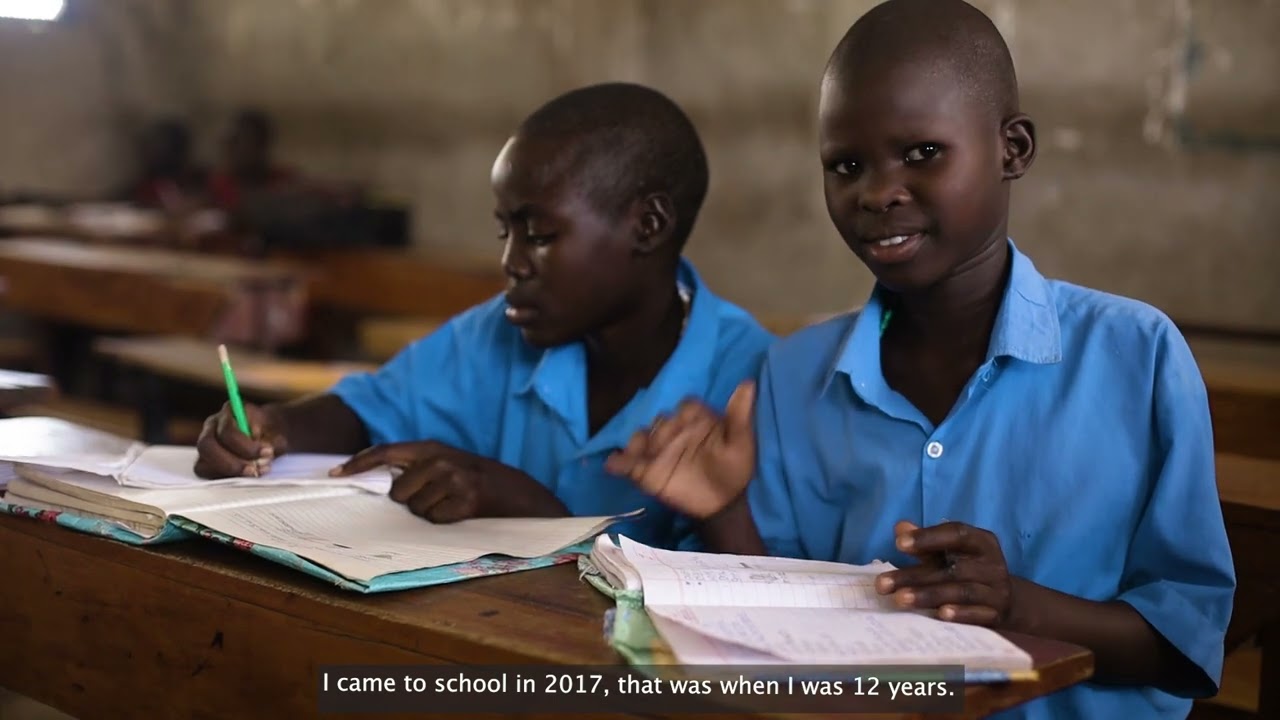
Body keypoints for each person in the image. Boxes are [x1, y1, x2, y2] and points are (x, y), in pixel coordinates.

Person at [604, 1, 1234, 717]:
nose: (876, 192)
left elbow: (1185, 645)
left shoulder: (1135, 356)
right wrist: (723, 510)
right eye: (846, 165)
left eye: (923, 153)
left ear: (1013, 150)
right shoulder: (794, 374)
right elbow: (776, 623)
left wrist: (1015, 604)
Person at [193, 82, 774, 549]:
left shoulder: (750, 382)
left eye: (540, 234)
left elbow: (733, 599)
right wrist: (276, 429)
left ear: (647, 226)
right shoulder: (503, 331)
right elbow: (371, 408)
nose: (512, 263)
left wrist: (529, 509)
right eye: (506, 232)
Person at [206, 109, 296, 212]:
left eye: (238, 141)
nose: (229, 148)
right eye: (228, 142)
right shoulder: (214, 187)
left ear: (261, 145)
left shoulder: (285, 182)